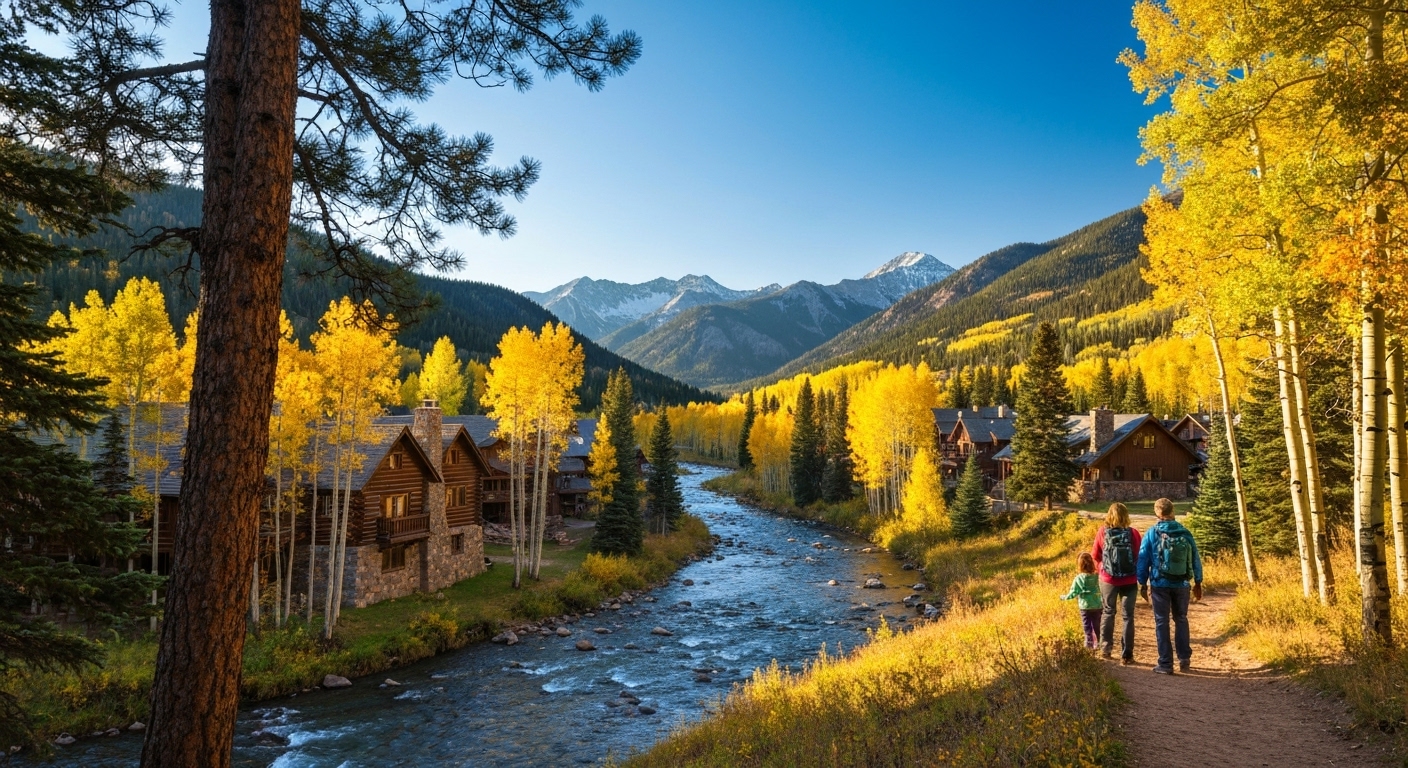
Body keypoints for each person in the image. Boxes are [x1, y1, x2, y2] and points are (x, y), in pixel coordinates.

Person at [1136, 497, 1204, 674]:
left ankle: (1165, 663)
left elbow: (1143, 558)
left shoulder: (1152, 533)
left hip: (1160, 583)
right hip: (1182, 583)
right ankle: (1184, 659)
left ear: (1157, 512)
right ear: (1172, 511)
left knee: (1161, 621)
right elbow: (1195, 558)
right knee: (1181, 619)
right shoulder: (1185, 532)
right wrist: (1198, 581)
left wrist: (1142, 582)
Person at [1092, 502, 1142, 665]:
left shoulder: (1102, 532)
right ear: (1126, 516)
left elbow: (1095, 555)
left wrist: (1102, 568)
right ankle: (1127, 655)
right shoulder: (1133, 533)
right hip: (1129, 580)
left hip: (1108, 579)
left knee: (1108, 612)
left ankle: (1105, 649)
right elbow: (1138, 556)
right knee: (1128, 617)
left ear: (1109, 515)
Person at [1060, 552, 1103, 649]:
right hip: (1097, 605)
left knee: (1087, 627)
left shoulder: (1078, 578)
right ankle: (1101, 643)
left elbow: (1073, 593)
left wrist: (1064, 597)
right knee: (1097, 626)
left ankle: (1089, 645)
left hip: (1085, 607)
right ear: (1092, 563)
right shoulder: (1097, 576)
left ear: (1080, 565)